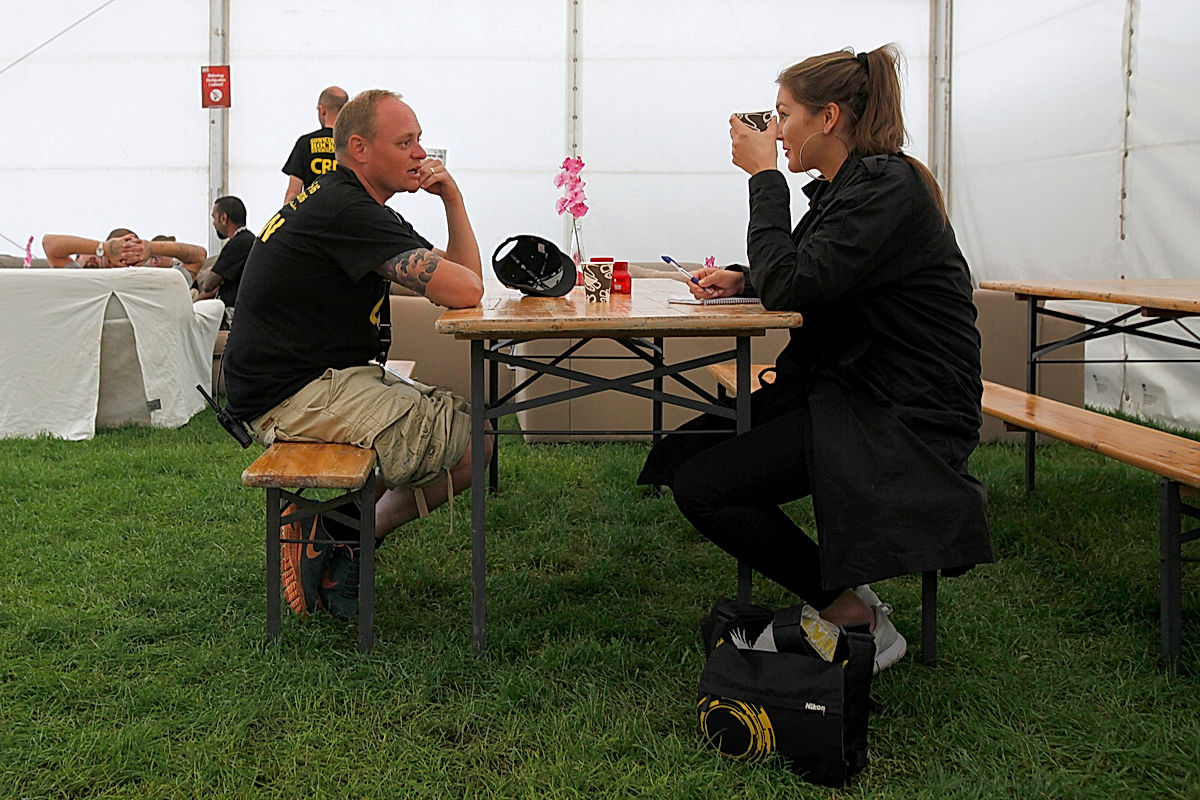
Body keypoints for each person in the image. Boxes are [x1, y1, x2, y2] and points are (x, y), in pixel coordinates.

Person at [637, 45, 992, 674]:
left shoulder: (889, 186)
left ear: (828, 118)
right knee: (690, 452)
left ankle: (851, 614)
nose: (775, 130)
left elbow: (798, 285)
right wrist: (746, 279)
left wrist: (763, 179)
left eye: (782, 114)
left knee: (705, 488)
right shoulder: (849, 189)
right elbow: (807, 273)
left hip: (901, 414)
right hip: (852, 389)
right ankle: (846, 601)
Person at [222, 89, 489, 621]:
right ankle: (335, 532)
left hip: (321, 377)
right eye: (405, 141)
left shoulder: (349, 203)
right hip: (292, 393)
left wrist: (452, 201)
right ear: (360, 148)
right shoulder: (347, 209)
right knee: (468, 446)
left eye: (419, 140)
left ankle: (341, 535)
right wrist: (451, 205)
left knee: (471, 444)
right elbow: (465, 291)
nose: (419, 153)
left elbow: (467, 279)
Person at [42, 229, 206, 279]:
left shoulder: (157, 281)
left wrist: (150, 247)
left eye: (133, 252)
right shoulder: (85, 280)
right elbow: (49, 244)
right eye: (119, 252)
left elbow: (199, 255)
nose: (125, 258)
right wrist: (105, 248)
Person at [282, 85, 348, 203]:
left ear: (322, 110)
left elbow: (293, 194)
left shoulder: (305, 143)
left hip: (312, 216)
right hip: (345, 214)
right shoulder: (352, 146)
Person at [194, 195, 252, 326]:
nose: (214, 223)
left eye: (214, 217)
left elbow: (209, 285)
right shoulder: (247, 240)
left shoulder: (238, 244)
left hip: (232, 316)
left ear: (223, 218)